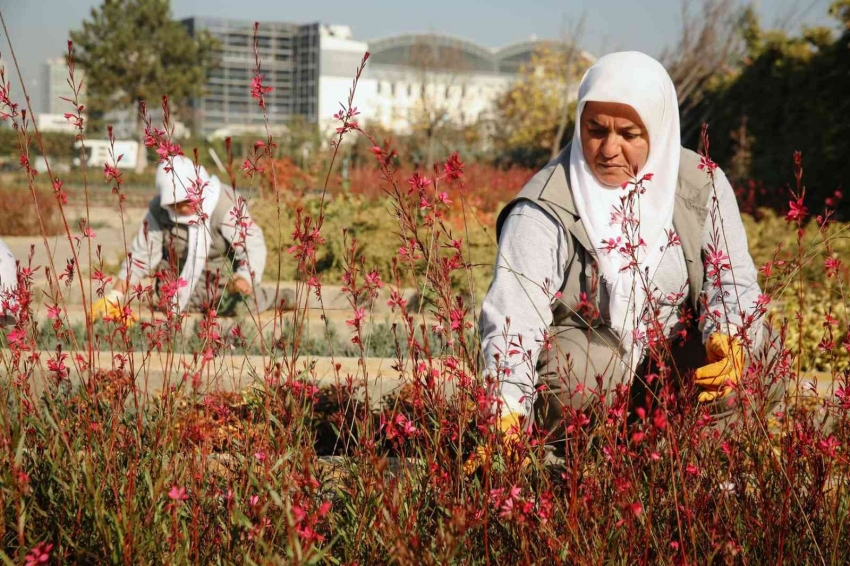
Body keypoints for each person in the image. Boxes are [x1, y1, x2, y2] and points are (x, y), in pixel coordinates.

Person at [478, 52, 781, 454]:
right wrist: (505, 410)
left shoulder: (700, 183)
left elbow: (732, 277)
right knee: (580, 371)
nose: (608, 148)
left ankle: (684, 459)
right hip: (591, 369)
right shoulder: (545, 204)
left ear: (657, 130)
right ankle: (580, 454)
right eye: (596, 129)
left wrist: (727, 336)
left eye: (629, 134)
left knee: (762, 350)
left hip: (674, 358)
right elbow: (514, 312)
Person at [91, 156, 280, 323]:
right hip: (178, 281)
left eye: (187, 202)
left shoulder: (224, 204)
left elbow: (252, 245)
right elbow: (142, 255)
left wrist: (245, 277)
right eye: (175, 205)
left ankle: (274, 297)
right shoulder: (159, 210)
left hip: (223, 281)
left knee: (233, 306)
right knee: (175, 304)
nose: (182, 209)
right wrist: (114, 296)